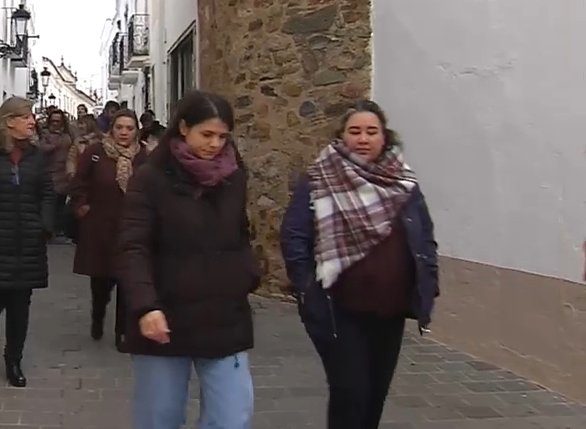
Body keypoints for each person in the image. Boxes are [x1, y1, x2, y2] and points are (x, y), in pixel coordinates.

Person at [280, 99, 439, 429]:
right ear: (342, 137)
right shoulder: (320, 180)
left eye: (371, 131)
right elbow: (295, 237)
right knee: (350, 395)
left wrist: (429, 284)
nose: (363, 139)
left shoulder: (404, 183)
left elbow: (424, 236)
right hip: (340, 310)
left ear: (385, 137)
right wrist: (308, 289)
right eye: (355, 131)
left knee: (374, 396)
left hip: (390, 312)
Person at [117, 91, 261, 429]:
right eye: (206, 135)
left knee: (231, 418)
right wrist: (145, 306)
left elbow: (240, 234)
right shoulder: (150, 178)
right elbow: (133, 246)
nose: (215, 144)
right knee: (160, 418)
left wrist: (245, 273)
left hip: (224, 315)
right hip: (164, 317)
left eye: (222, 136)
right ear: (183, 128)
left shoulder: (234, 177)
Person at [0, 96, 56, 388]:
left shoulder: (37, 157)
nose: (32, 122)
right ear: (10, 121)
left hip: (27, 242)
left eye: (31, 117)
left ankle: (13, 359)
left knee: (20, 303)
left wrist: (45, 225)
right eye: (26, 116)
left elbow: (48, 193)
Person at [70, 109, 147, 351]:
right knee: (101, 283)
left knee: (127, 281)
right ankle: (98, 316)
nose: (124, 133)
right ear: (112, 129)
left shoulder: (144, 157)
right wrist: (82, 206)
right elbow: (79, 183)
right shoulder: (96, 153)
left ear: (136, 131)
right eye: (119, 127)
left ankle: (122, 331)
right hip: (101, 228)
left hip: (131, 229)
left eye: (129, 128)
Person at [36, 109, 72, 237]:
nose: (56, 123)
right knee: (50, 202)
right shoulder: (45, 134)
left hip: (63, 173)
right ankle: (48, 229)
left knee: (60, 202)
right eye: (53, 121)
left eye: (58, 121)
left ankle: (58, 229)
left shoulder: (67, 135)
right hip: (49, 171)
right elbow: (42, 148)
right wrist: (54, 143)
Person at [65, 114, 102, 179]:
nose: (80, 126)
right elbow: (71, 158)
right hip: (80, 176)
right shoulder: (78, 141)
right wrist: (71, 173)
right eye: (79, 124)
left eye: (82, 124)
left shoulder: (100, 140)